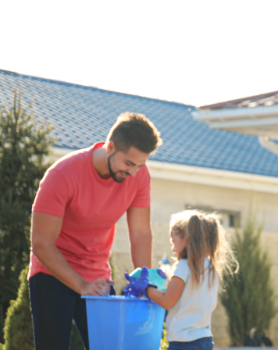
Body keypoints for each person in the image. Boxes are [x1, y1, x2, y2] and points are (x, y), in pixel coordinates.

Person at [29, 112, 162, 350]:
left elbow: (140, 232)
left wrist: (145, 280)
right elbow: (41, 244)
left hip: (97, 275)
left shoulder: (139, 176)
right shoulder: (62, 175)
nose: (133, 172)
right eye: (129, 163)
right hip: (52, 272)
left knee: (111, 347)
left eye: (140, 165)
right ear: (110, 147)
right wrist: (80, 285)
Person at [144, 210, 235, 350]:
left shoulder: (184, 266)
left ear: (186, 239)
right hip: (205, 340)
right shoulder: (211, 268)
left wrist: (147, 288)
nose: (173, 248)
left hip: (183, 342)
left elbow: (167, 301)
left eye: (173, 241)